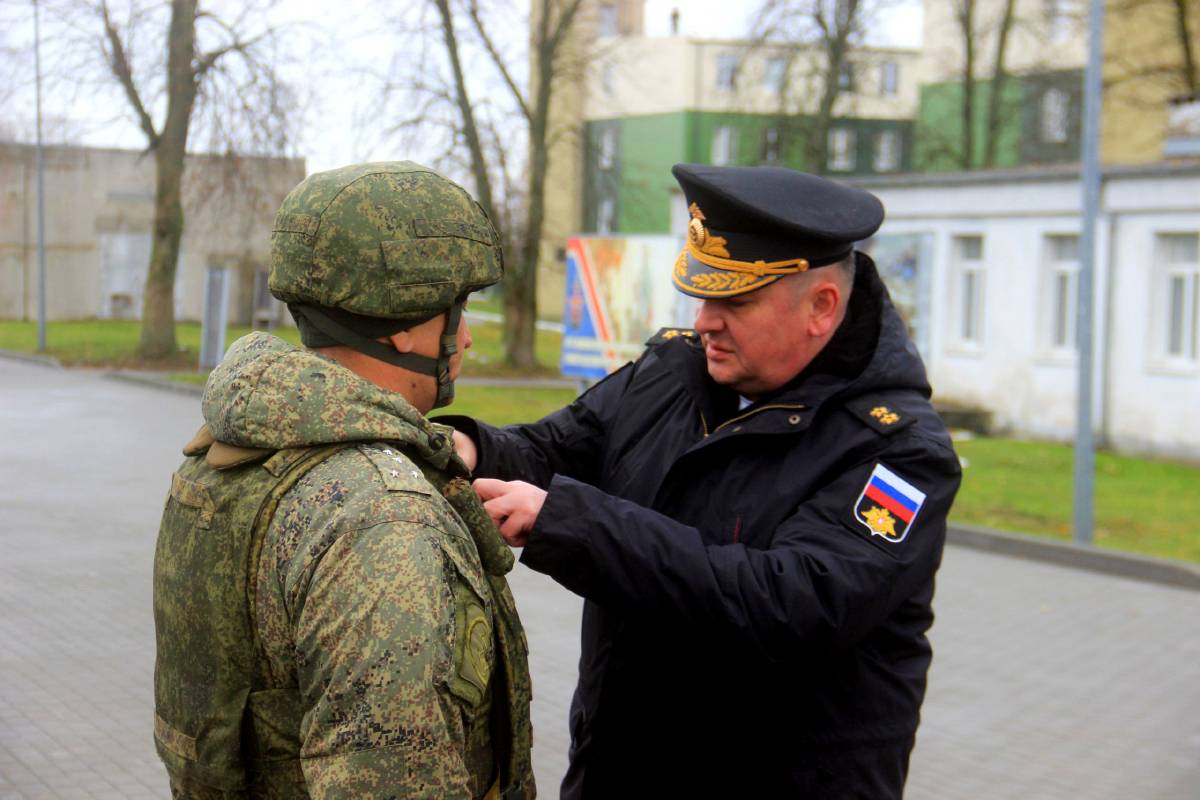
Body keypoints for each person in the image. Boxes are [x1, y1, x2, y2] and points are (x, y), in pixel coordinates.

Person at [446, 164, 962, 798]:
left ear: (822, 308)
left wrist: (571, 523)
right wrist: (469, 447)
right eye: (701, 293)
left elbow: (788, 605)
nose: (705, 319)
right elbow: (556, 448)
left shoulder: (896, 452)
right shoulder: (675, 370)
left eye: (734, 301)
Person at [151, 162, 534, 799]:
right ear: (405, 325)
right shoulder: (380, 517)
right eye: (454, 310)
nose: (464, 334)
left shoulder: (230, 449)